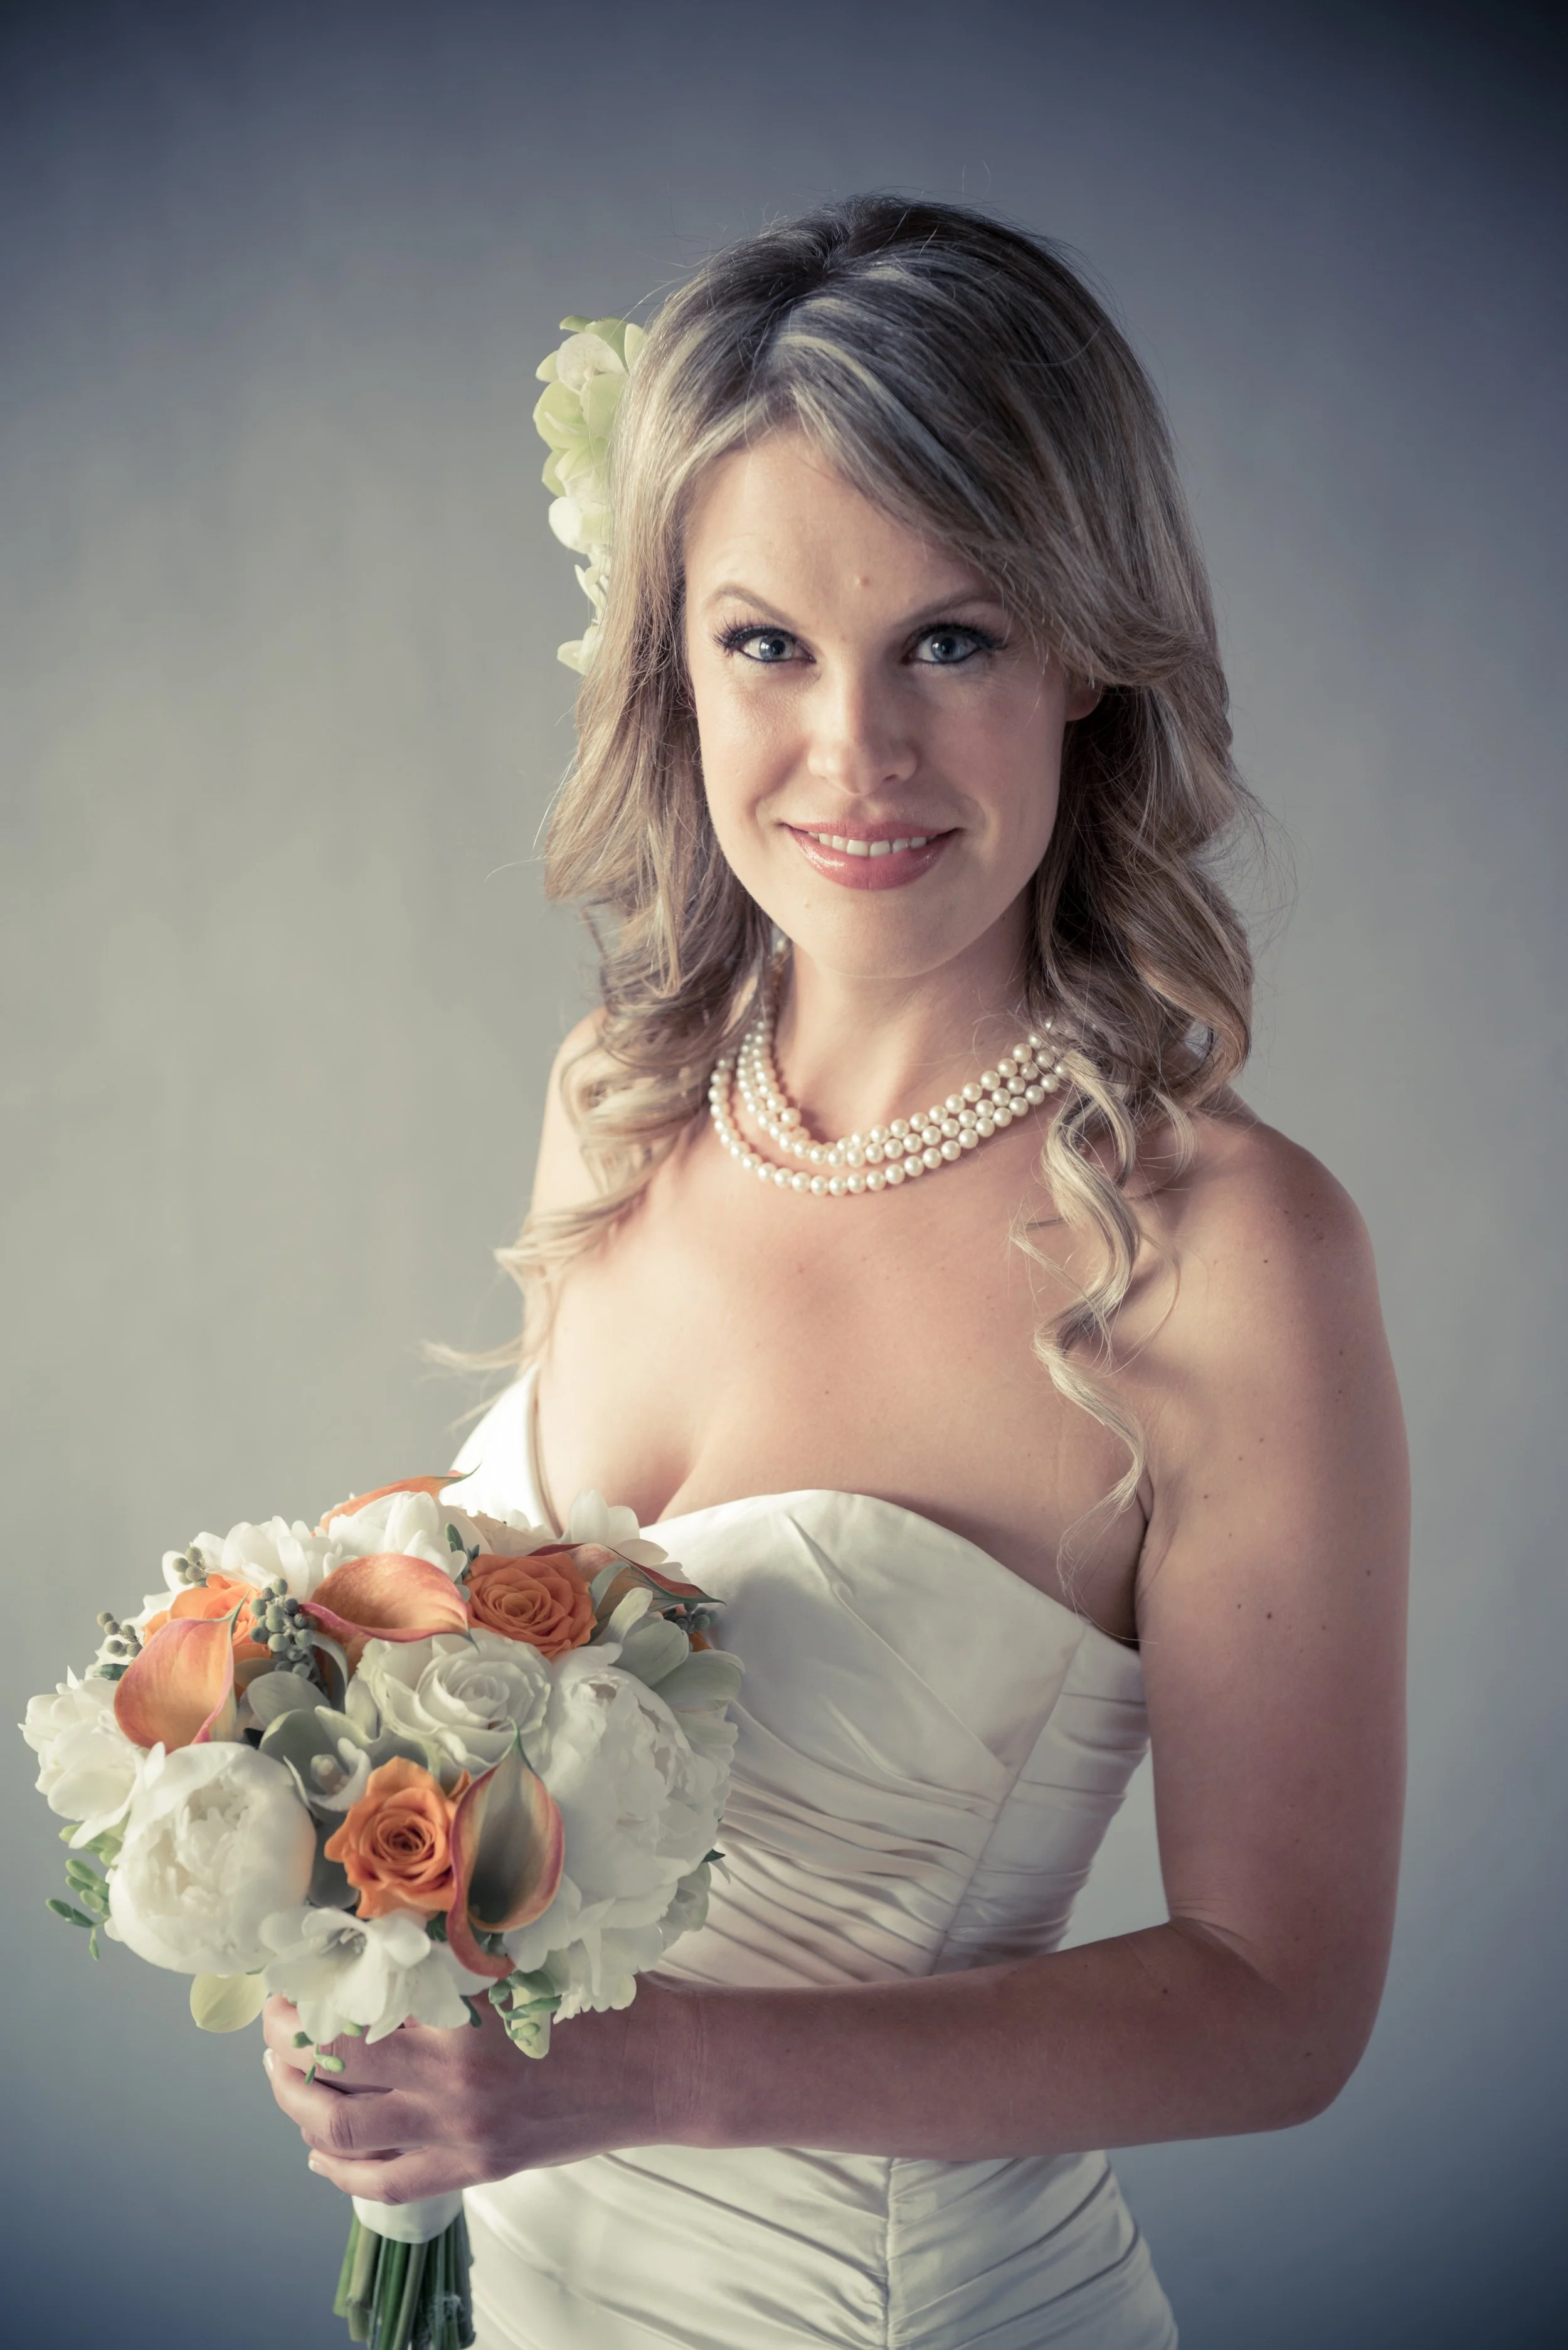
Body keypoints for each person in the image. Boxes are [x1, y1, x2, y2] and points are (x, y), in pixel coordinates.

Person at [262, 196, 1409, 2348]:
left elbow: (1277, 2006)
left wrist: (629, 2075)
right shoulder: (616, 1098)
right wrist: (354, 1949)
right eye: (767, 645)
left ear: (1085, 658)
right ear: (667, 662)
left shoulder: (1226, 1254)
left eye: (949, 643)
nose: (854, 756)